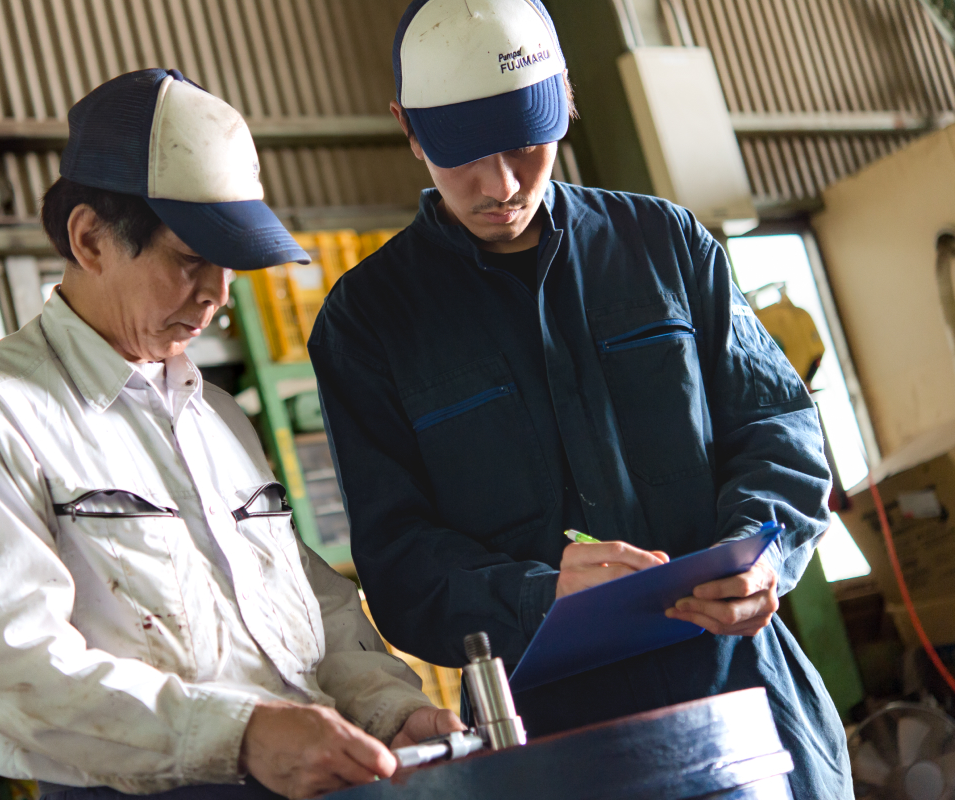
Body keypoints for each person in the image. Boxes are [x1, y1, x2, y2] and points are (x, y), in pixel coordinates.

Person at [307, 1, 852, 797]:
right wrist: (540, 595)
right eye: (464, 152)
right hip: (555, 743)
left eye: (527, 143)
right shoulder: (369, 324)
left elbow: (776, 425)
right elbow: (398, 564)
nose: (500, 184)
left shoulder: (664, 246)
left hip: (748, 695)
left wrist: (761, 550)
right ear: (409, 128)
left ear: (562, 98)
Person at [0, 68, 460, 800]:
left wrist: (393, 710)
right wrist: (243, 734)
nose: (217, 296)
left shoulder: (214, 415)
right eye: (191, 260)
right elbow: (19, 670)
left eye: (229, 267)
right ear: (91, 240)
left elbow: (310, 603)